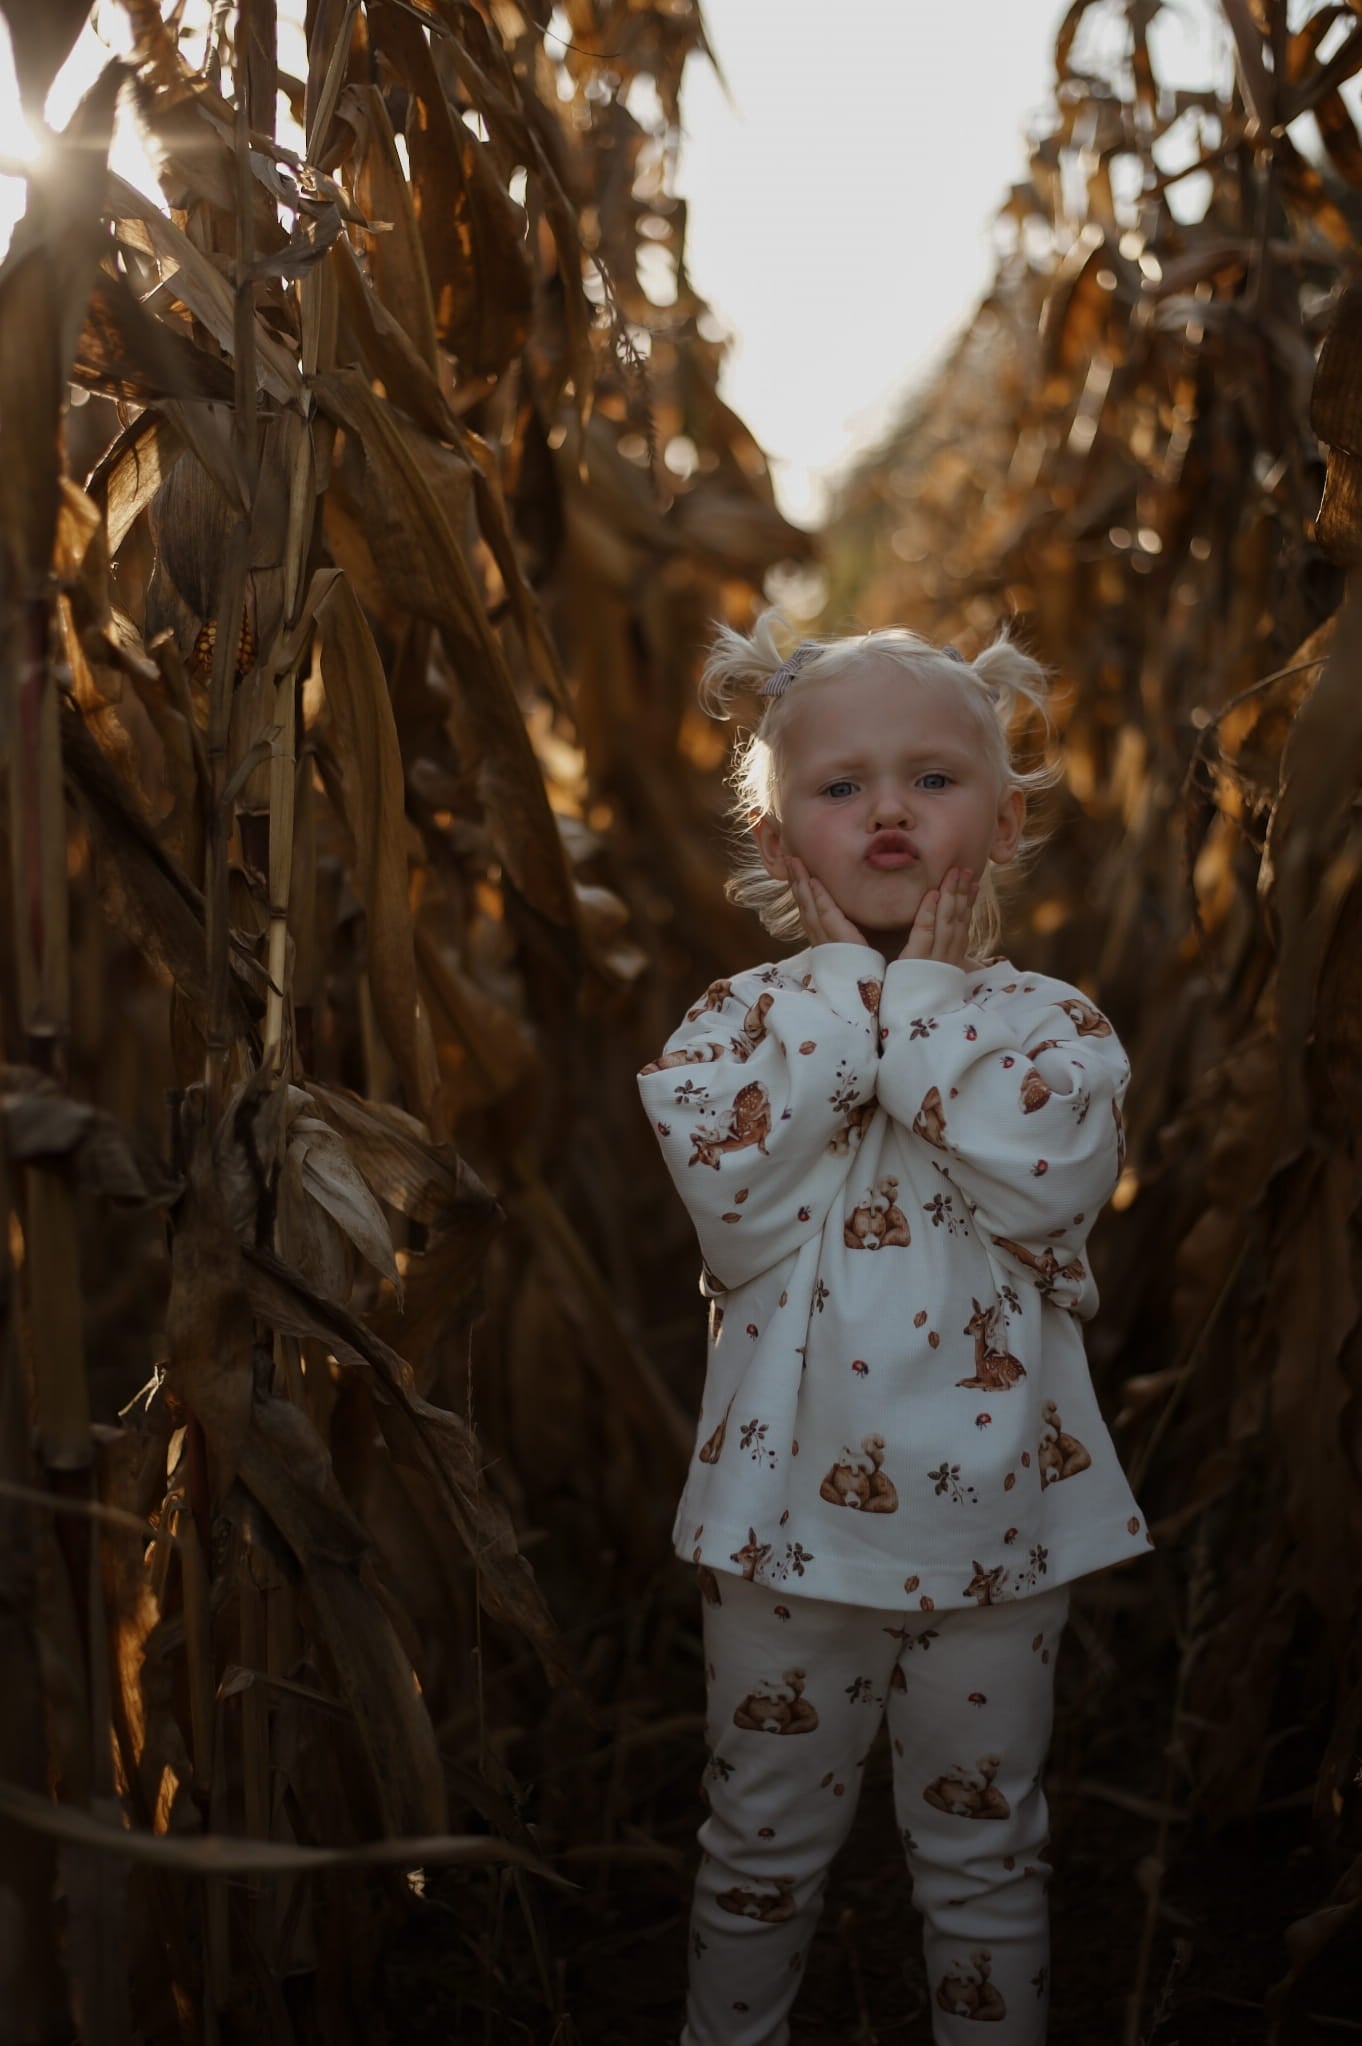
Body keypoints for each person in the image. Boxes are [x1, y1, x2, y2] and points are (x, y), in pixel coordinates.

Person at [637, 612, 1150, 2045]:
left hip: (996, 1526)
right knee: (756, 1853)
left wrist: (915, 1001)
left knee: (984, 1854)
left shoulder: (1053, 1028)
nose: (885, 811)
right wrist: (843, 1002)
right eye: (840, 783)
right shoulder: (730, 1029)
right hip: (779, 1531)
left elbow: (1044, 1189)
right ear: (770, 820)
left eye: (931, 778)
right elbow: (738, 1209)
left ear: (1000, 815)